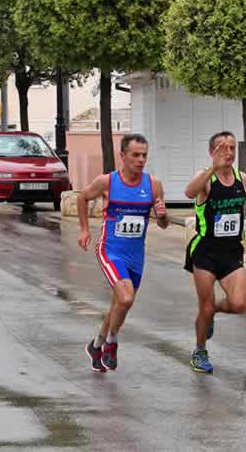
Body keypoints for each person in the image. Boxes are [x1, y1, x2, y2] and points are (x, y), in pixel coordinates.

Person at [78, 134, 169, 372]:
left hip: (136, 255)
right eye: (135, 155)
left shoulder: (153, 185)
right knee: (126, 298)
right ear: (122, 156)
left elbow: (163, 224)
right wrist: (85, 230)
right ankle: (112, 342)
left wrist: (162, 215)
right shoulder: (107, 182)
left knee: (120, 304)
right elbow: (82, 197)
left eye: (144, 155)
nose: (140, 160)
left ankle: (96, 345)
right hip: (110, 250)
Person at [184, 131, 246, 374]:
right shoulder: (205, 178)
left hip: (231, 252)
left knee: (240, 304)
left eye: (231, 148)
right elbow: (189, 192)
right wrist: (211, 168)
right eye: (222, 148)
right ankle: (199, 350)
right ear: (212, 152)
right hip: (205, 251)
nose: (228, 153)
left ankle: (213, 311)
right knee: (203, 307)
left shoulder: (243, 178)